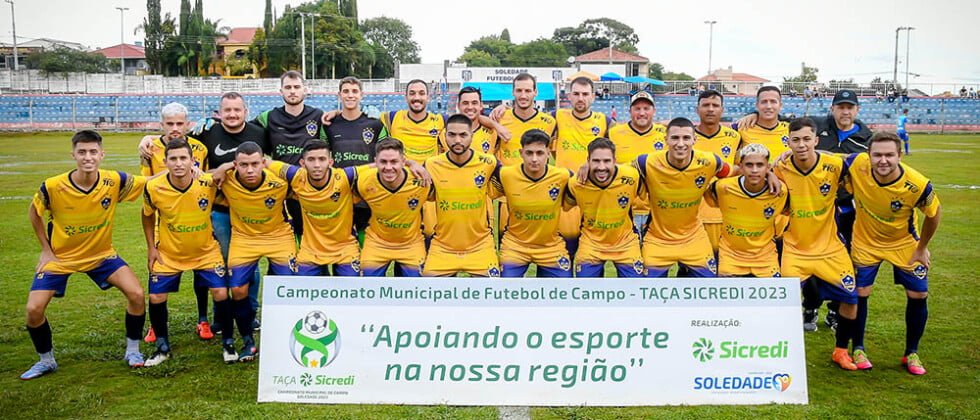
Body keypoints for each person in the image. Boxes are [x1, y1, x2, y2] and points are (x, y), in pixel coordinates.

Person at [22, 130, 150, 380]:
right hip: (61, 258)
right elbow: (34, 213)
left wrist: (191, 171)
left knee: (136, 294)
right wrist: (46, 250)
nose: (87, 157)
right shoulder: (53, 186)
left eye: (93, 152)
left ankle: (133, 351)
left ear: (102, 154)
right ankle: (46, 361)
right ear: (73, 155)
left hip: (101, 255)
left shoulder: (114, 180)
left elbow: (151, 181)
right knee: (33, 310)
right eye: (82, 152)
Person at [139, 92, 268, 333]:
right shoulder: (207, 132)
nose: (232, 114)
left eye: (237, 110)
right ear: (219, 113)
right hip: (217, 210)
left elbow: (271, 158)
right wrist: (148, 139)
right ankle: (219, 318)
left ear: (246, 112)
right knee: (218, 264)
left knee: (249, 263)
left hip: (249, 209)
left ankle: (250, 314)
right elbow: (173, 138)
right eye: (227, 110)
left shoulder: (259, 133)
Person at [845, 132, 941, 375]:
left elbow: (934, 214)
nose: (883, 160)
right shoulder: (857, 164)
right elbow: (830, 158)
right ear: (868, 155)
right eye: (877, 155)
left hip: (903, 243)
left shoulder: (918, 184)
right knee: (860, 292)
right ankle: (858, 348)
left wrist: (922, 248)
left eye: (889, 155)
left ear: (900, 155)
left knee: (918, 294)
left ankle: (912, 352)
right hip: (866, 241)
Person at [775, 117, 861, 369]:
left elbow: (859, 166)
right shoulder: (780, 168)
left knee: (850, 299)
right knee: (784, 302)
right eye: (795, 140)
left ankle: (841, 351)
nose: (801, 145)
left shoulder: (834, 165)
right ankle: (781, 352)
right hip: (795, 248)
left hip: (830, 247)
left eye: (806, 139)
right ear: (788, 142)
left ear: (816, 140)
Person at [141, 138, 232, 366]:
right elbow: (147, 215)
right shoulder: (153, 187)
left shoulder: (208, 183)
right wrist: (151, 248)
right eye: (173, 159)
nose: (179, 163)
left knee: (221, 292)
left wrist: (224, 167)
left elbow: (236, 173)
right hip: (169, 253)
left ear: (193, 161)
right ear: (165, 162)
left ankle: (228, 343)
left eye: (183, 158)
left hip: (206, 251)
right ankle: (162, 347)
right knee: (156, 297)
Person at [138, 102, 214, 342]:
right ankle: (156, 325)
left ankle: (203, 319)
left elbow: (206, 181)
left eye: (179, 123)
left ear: (187, 124)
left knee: (201, 271)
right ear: (161, 124)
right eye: (169, 123)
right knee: (158, 269)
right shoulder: (150, 148)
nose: (175, 128)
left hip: (195, 217)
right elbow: (145, 183)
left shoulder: (200, 149)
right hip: (165, 220)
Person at [218, 141, 298, 362]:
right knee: (238, 290)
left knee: (287, 286)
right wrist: (221, 168)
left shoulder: (280, 182)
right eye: (244, 165)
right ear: (235, 165)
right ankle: (248, 341)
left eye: (255, 164)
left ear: (264, 162)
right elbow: (196, 178)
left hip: (279, 236)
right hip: (244, 238)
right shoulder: (225, 180)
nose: (250, 170)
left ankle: (284, 336)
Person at [633, 118, 732, 277]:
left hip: (694, 238)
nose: (680, 144)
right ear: (666, 140)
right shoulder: (646, 162)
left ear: (694, 139)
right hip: (658, 240)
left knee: (708, 287)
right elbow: (619, 174)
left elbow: (733, 172)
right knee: (648, 289)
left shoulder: (710, 161)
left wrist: (768, 175)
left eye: (686, 138)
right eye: (675, 138)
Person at [251, 71, 328, 238]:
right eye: (288, 87)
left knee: (310, 234)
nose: (292, 91)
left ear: (305, 90)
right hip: (280, 187)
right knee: (282, 234)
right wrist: (216, 123)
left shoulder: (318, 116)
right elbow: (243, 130)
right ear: (281, 91)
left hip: (308, 187)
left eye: (296, 87)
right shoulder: (268, 117)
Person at [423, 114, 502, 277]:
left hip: (481, 246)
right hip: (442, 247)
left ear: (472, 136)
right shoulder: (431, 165)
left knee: (493, 291)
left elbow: (515, 183)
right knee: (429, 291)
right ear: (445, 136)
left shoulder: (489, 163)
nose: (457, 140)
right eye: (452, 135)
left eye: (463, 135)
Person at [267, 141, 360, 276]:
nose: (317, 165)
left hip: (344, 248)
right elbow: (264, 162)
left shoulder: (345, 177)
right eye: (311, 159)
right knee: (301, 286)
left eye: (322, 159)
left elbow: (374, 167)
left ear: (330, 162)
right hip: (311, 250)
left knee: (351, 285)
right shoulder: (296, 176)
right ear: (302, 163)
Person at [490, 129, 572, 277]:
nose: (534, 159)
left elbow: (587, 183)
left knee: (564, 288)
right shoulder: (505, 175)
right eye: (529, 153)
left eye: (540, 153)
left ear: (548, 153)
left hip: (551, 247)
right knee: (505, 287)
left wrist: (587, 167)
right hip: (515, 246)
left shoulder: (563, 176)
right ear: (521, 153)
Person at [704, 143, 787, 277]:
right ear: (741, 167)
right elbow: (711, 199)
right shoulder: (722, 188)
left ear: (768, 167)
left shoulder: (780, 191)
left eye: (760, 165)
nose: (754, 170)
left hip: (765, 257)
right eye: (749, 165)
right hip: (731, 256)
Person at [565, 138, 645, 277]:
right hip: (591, 244)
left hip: (625, 243)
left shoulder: (632, 177)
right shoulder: (576, 184)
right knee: (586, 288)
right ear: (588, 160)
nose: (601, 167)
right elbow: (566, 206)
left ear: (614, 160)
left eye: (607, 161)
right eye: (596, 161)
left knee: (635, 287)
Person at [349, 138, 429, 276]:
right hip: (377, 243)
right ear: (376, 162)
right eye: (383, 162)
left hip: (411, 244)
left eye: (394, 162)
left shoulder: (420, 181)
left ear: (403, 161)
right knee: (367, 285)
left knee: (416, 286)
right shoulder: (364, 181)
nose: (388, 167)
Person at [554, 76, 613, 259]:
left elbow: (621, 141)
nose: (581, 98)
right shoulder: (557, 117)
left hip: (594, 194)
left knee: (593, 255)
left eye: (585, 94)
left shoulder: (604, 121)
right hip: (566, 193)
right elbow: (530, 119)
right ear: (569, 96)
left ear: (593, 96)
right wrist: (502, 110)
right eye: (577, 94)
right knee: (566, 251)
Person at [326, 76, 388, 243]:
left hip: (367, 189)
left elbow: (386, 154)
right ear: (339, 95)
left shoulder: (375, 124)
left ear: (362, 95)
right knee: (340, 236)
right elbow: (322, 155)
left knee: (366, 235)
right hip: (340, 189)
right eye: (346, 91)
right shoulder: (329, 125)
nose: (350, 95)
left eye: (354, 91)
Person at [692, 90, 742, 253]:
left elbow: (742, 169)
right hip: (693, 218)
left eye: (715, 105)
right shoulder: (685, 138)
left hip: (726, 216)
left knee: (725, 266)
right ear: (697, 109)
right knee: (694, 267)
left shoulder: (735, 137)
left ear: (722, 109)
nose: (710, 109)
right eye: (706, 105)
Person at [608, 91, 665, 231]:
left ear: (654, 111)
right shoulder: (614, 133)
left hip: (656, 210)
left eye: (646, 108)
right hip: (622, 208)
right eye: (637, 109)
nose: (642, 113)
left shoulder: (665, 134)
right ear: (630, 111)